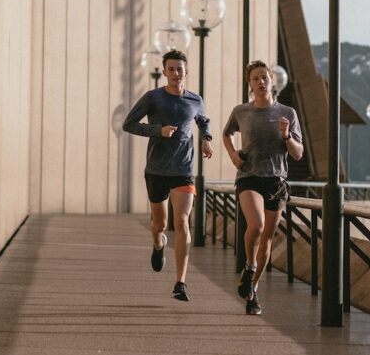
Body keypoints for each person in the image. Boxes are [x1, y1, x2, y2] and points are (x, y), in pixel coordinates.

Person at [122, 49, 213, 302]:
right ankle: (158, 244)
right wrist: (157, 131)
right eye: (171, 69)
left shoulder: (195, 99)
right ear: (164, 72)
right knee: (159, 224)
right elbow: (128, 124)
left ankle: (181, 283)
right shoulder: (153, 97)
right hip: (156, 170)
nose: (175, 73)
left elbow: (203, 121)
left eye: (179, 69)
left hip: (183, 170)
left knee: (182, 222)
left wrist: (206, 139)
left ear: (187, 71)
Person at [222, 60, 304, 315]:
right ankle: (249, 266)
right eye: (255, 78)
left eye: (264, 77)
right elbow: (226, 134)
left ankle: (253, 291)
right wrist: (233, 155)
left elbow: (298, 154)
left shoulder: (287, 113)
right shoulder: (241, 111)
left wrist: (287, 136)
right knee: (255, 225)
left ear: (272, 81)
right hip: (249, 177)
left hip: (276, 181)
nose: (260, 82)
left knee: (266, 238)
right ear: (250, 83)